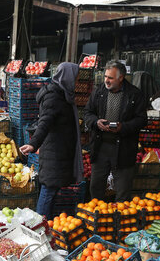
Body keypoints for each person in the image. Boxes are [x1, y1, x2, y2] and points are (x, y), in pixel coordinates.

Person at [20, 63, 83, 218]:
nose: (76, 82)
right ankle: (39, 226)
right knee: (48, 191)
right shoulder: (54, 97)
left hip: (59, 151)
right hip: (54, 153)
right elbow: (44, 123)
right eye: (75, 78)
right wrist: (33, 144)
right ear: (67, 78)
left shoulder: (63, 94)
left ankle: (45, 224)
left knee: (51, 191)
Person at [84, 60, 147, 201]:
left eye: (110, 78)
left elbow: (142, 120)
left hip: (123, 149)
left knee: (123, 189)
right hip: (100, 147)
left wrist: (123, 127)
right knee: (96, 186)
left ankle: (119, 219)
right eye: (106, 76)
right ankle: (97, 217)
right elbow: (88, 113)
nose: (106, 80)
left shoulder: (134, 94)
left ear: (121, 77)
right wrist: (96, 122)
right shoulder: (99, 91)